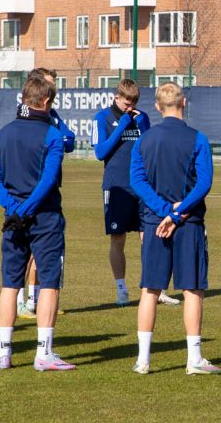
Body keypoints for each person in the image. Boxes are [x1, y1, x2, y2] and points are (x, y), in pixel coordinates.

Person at [128, 82, 221, 375]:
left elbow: (136, 181)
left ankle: (143, 360)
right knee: (193, 289)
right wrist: (178, 212)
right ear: (183, 103)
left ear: (157, 107)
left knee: (150, 289)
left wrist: (164, 212)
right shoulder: (198, 139)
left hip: (156, 223)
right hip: (189, 222)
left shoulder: (144, 140)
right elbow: (204, 183)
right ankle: (193, 359)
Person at [0, 76, 73, 371]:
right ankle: (43, 352)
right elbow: (48, 179)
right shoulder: (52, 135)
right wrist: (27, 207)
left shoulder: (1, 134)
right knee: (48, 284)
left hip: (13, 218)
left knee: (10, 284)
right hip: (44, 215)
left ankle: (4, 352)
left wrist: (12, 207)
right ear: (46, 102)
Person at [16, 68, 75, 320]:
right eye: (50, 84)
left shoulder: (53, 114)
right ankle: (20, 299)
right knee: (26, 251)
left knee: (43, 253)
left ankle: (35, 299)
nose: (54, 90)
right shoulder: (26, 114)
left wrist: (59, 140)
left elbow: (69, 140)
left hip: (50, 190)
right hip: (28, 189)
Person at [93, 79, 152, 306]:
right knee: (118, 239)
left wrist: (143, 125)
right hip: (116, 187)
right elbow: (100, 152)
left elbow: (150, 146)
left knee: (148, 237)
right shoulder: (103, 118)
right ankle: (121, 288)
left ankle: (152, 286)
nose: (130, 107)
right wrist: (122, 125)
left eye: (133, 103)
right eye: (127, 103)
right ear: (117, 97)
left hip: (142, 187)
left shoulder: (141, 117)